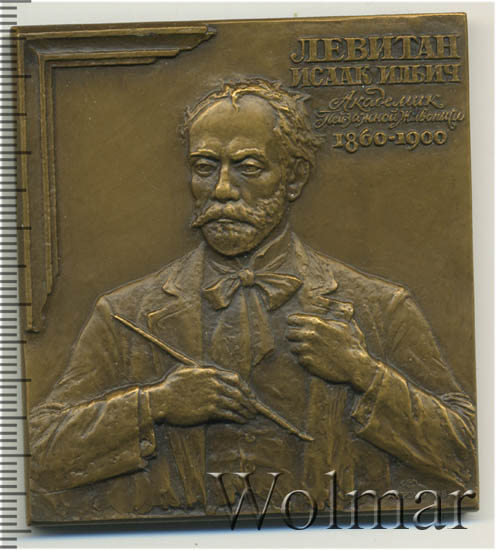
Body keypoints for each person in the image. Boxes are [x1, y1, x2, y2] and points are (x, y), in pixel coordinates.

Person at [29, 79, 476, 521]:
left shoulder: (380, 307)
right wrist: (156, 403)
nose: (222, 188)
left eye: (248, 166)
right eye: (205, 166)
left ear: (294, 177)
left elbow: (464, 454)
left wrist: (362, 372)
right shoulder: (125, 313)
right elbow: (41, 456)